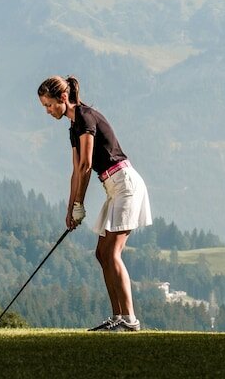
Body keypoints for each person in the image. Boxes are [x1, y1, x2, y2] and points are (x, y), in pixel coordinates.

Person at [37, 75, 152, 332]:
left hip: (125, 185)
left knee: (112, 253)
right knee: (101, 254)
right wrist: (71, 209)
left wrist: (80, 204)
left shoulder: (86, 117)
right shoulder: (73, 127)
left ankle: (130, 320)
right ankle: (117, 317)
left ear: (63, 98)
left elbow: (87, 165)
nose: (47, 111)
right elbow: (76, 172)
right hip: (114, 187)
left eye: (48, 105)